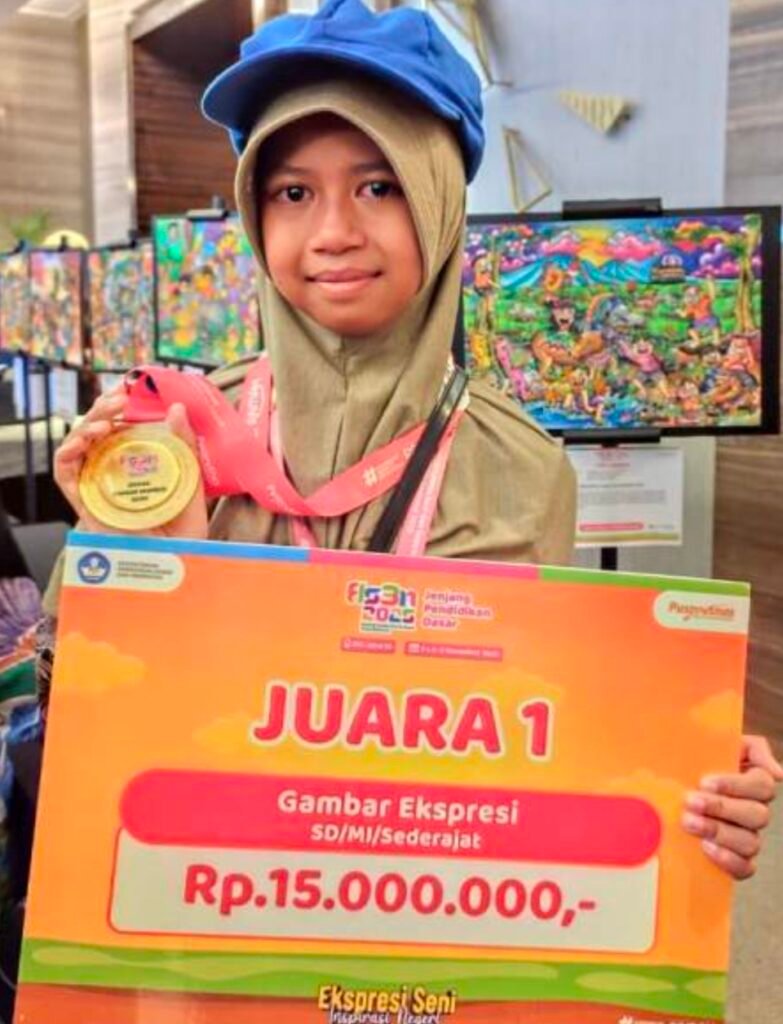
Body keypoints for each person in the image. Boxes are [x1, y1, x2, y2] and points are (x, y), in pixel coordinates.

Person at [49, 0, 779, 882]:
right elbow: (86, 723)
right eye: (292, 193)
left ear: (438, 199)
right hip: (208, 899)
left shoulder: (518, 466)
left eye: (378, 185)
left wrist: (686, 778)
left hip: (420, 918)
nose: (333, 233)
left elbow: (540, 738)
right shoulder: (174, 435)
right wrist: (132, 561)